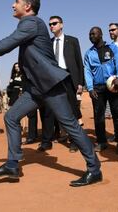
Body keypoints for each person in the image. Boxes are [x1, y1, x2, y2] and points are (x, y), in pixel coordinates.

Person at [0, 0, 101, 186]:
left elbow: (8, 43)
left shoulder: (32, 23)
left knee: (70, 125)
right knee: (11, 117)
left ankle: (94, 169)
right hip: (35, 88)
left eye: (16, 1)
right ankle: (12, 165)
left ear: (27, 6)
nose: (13, 5)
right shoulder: (30, 25)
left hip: (50, 85)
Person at [40, 15, 84, 153]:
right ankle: (47, 141)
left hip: (68, 78)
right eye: (50, 24)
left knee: (71, 110)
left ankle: (74, 141)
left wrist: (80, 83)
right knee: (48, 111)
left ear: (62, 24)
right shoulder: (48, 42)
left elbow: (79, 63)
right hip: (52, 79)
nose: (52, 26)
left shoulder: (72, 41)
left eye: (54, 23)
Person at [84, 26, 118, 154]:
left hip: (114, 85)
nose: (91, 36)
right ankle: (102, 142)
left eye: (94, 34)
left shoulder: (113, 48)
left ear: (101, 35)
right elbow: (87, 71)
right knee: (98, 116)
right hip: (98, 88)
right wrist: (90, 88)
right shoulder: (88, 53)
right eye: (90, 34)